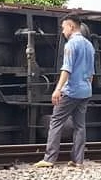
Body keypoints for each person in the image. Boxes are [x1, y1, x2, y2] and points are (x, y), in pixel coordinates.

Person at [34, 14, 95, 168]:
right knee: (80, 126)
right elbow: (91, 72)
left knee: (56, 122)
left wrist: (58, 89)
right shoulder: (89, 45)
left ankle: (49, 159)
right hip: (85, 91)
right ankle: (78, 160)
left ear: (71, 26)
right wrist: (87, 88)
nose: (63, 31)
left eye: (63, 27)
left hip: (71, 91)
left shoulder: (70, 45)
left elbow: (66, 69)